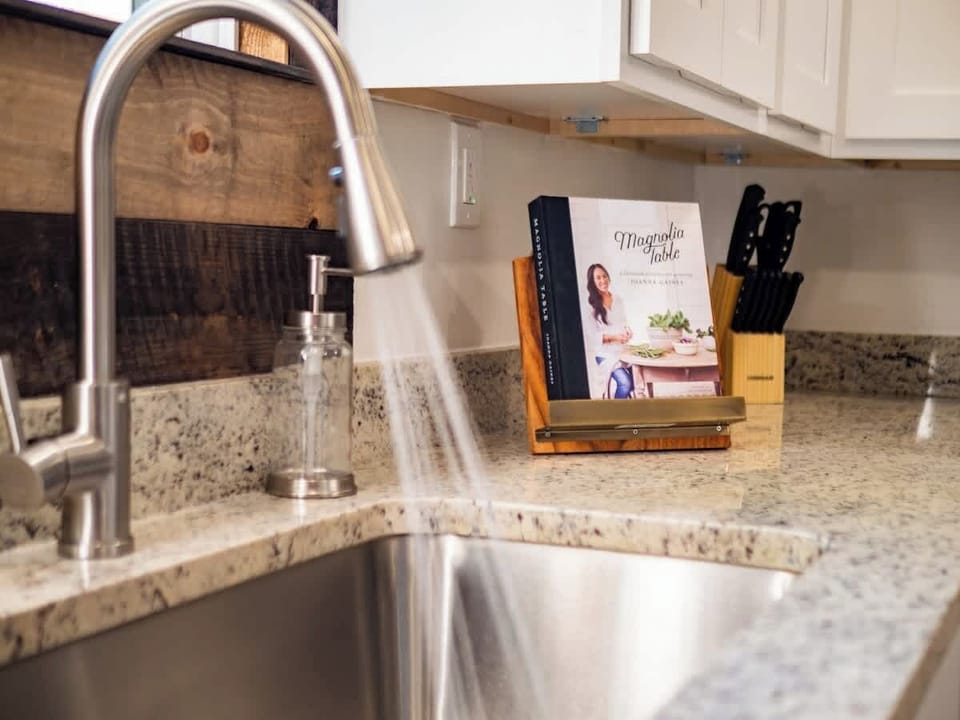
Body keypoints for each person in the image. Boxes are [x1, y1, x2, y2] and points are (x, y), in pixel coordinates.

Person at [585, 263, 635, 399]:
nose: (603, 280)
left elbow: (624, 322)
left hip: (623, 351)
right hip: (605, 355)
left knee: (637, 381)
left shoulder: (618, 299)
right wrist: (615, 338)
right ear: (592, 282)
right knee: (625, 383)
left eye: (604, 276)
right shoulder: (590, 306)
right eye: (598, 278)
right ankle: (618, 413)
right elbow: (593, 336)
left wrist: (628, 331)